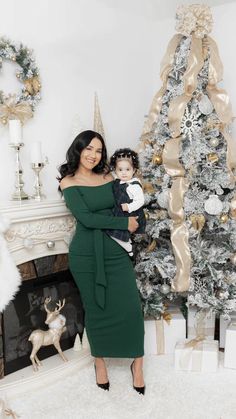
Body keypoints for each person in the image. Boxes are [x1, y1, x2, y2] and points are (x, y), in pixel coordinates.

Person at [58, 130, 145, 394]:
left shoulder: (110, 176)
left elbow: (130, 199)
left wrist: (135, 218)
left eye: (98, 150)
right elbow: (87, 219)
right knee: (96, 308)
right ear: (78, 149)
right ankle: (100, 363)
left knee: (131, 306)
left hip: (116, 249)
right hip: (85, 253)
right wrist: (123, 223)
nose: (93, 155)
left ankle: (138, 365)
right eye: (89, 149)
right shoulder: (68, 182)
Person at [106, 148, 146, 257]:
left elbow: (140, 201)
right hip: (119, 211)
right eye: (120, 170)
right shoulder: (117, 181)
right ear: (115, 171)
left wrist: (129, 206)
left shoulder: (133, 185)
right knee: (109, 230)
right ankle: (126, 243)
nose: (124, 173)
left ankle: (128, 246)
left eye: (127, 169)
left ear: (133, 171)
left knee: (112, 231)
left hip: (129, 213)